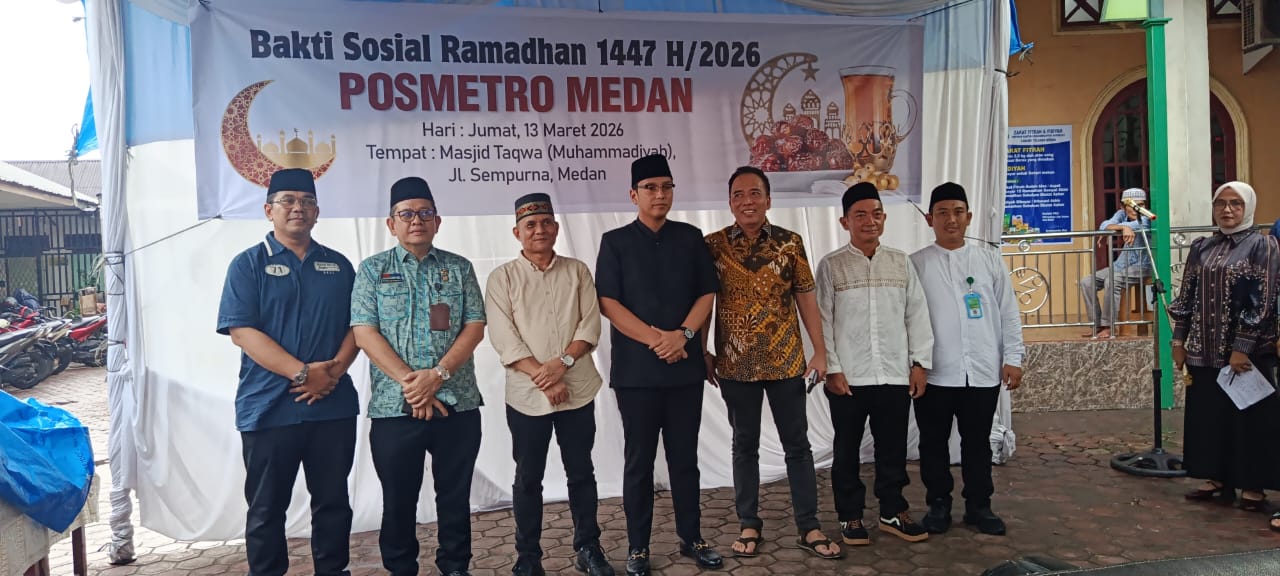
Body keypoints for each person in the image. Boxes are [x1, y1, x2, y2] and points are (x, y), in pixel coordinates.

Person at [216, 168, 360, 576]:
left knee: (333, 503)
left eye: (307, 201)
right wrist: (302, 374)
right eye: (288, 201)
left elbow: (360, 326)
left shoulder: (338, 265)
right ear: (269, 211)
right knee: (266, 508)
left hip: (331, 406)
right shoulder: (247, 265)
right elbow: (242, 332)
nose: (299, 208)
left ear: (317, 211)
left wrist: (331, 374)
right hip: (268, 408)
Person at [703, 166, 841, 560]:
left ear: (768, 199)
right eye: (738, 194)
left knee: (797, 446)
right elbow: (704, 301)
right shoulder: (713, 246)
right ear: (730, 202)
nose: (747, 201)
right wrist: (703, 352)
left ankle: (809, 526)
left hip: (786, 362)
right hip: (735, 364)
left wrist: (820, 351)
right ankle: (748, 523)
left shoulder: (789, 243)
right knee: (744, 445)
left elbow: (806, 299)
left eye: (754, 193)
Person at [351, 176, 487, 576]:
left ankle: (455, 567)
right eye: (406, 214)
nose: (416, 220)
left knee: (455, 498)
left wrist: (438, 376)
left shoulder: (458, 268)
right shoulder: (372, 270)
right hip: (396, 408)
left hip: (457, 403)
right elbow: (364, 332)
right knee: (398, 500)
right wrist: (415, 385)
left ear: (438, 221)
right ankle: (400, 569)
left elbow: (474, 326)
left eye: (425, 213)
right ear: (391, 223)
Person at [595, 154, 723, 576]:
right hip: (637, 375)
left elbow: (706, 293)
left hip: (684, 369)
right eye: (650, 188)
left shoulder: (690, 237)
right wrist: (659, 340)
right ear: (634, 195)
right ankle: (637, 547)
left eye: (666, 187)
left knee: (685, 459)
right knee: (639, 463)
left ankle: (692, 538)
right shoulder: (615, 242)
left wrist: (682, 336)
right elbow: (608, 303)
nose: (660, 195)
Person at [484, 193, 615, 576]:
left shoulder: (577, 272)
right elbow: (504, 338)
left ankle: (588, 548)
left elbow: (589, 326)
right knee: (528, 478)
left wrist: (562, 365)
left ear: (556, 228)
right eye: (530, 225)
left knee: (581, 472)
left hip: (577, 389)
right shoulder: (502, 278)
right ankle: (528, 558)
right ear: (517, 232)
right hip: (527, 397)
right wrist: (544, 378)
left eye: (545, 223)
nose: (539, 230)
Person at [816, 182, 933, 546]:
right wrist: (832, 368)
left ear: (884, 219)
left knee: (892, 449)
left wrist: (919, 364)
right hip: (848, 378)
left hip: (894, 374)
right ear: (845, 221)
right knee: (846, 450)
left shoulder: (900, 262)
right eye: (860, 215)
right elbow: (821, 321)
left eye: (876, 214)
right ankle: (850, 516)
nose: (870, 221)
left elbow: (917, 315)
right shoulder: (832, 266)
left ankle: (892, 511)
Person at [910, 182, 1025, 537]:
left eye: (958, 212)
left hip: (982, 370)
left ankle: (979, 506)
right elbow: (909, 319)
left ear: (969, 217)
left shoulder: (989, 260)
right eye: (942, 212)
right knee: (933, 444)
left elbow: (1008, 312)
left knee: (977, 443)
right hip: (935, 373)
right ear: (929, 219)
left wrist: (1013, 357)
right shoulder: (916, 264)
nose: (951, 219)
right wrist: (915, 364)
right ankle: (938, 505)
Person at [1168, 181, 1280, 534]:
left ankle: (1252, 485)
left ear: (1248, 208)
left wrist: (1241, 347)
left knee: (1249, 420)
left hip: (1247, 354)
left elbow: (1263, 300)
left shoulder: (1263, 245)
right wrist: (1178, 340)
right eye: (1221, 203)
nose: (1227, 210)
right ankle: (1216, 477)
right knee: (1210, 415)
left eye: (1235, 204)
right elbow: (1186, 295)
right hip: (1204, 350)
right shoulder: (1202, 246)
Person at [1078, 187, 1152, 339]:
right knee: (1087, 282)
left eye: (1140, 205)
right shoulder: (1121, 215)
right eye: (1132, 205)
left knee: (1113, 280)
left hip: (1142, 266)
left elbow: (1127, 226)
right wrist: (1123, 227)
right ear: (1123, 207)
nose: (1136, 209)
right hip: (1121, 265)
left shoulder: (1146, 218)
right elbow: (1103, 225)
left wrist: (1124, 227)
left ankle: (1109, 326)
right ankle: (1097, 325)